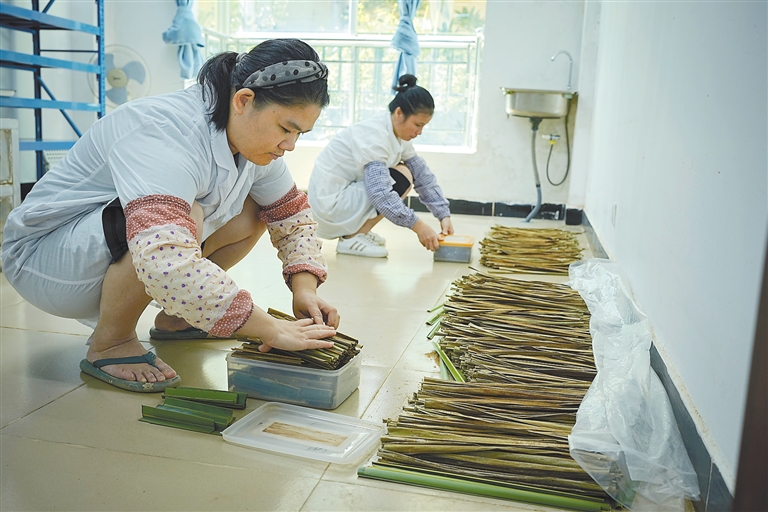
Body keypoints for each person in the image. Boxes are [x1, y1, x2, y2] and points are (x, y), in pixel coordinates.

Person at [1, 39, 340, 392]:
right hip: (45, 257)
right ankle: (112, 342)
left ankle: (177, 319)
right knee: (183, 217)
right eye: (285, 128)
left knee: (257, 210)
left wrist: (304, 288)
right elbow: (165, 257)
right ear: (243, 100)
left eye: (299, 133)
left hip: (107, 250)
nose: (290, 145)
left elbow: (291, 216)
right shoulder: (165, 130)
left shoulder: (253, 142)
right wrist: (267, 327)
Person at [307, 74, 453, 258]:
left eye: (424, 126)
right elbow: (381, 194)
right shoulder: (375, 135)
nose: (420, 132)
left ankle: (359, 231)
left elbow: (421, 174)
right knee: (402, 175)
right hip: (329, 207)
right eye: (417, 124)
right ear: (399, 113)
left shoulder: (396, 133)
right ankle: (352, 238)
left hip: (341, 197)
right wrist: (419, 226)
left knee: (407, 171)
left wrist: (443, 214)